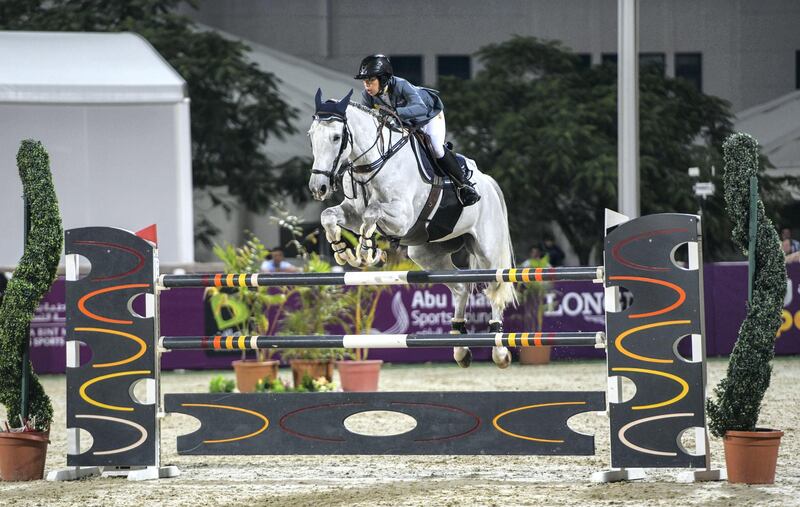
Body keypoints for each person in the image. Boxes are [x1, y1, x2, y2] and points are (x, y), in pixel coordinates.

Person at [354, 54, 480, 206]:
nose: (367, 86)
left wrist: (395, 113)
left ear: (383, 79)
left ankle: (464, 185)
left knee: (436, 148)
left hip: (429, 116)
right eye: (365, 81)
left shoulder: (401, 85)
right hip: (405, 122)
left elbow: (420, 108)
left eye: (371, 81)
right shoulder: (367, 96)